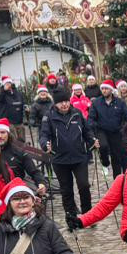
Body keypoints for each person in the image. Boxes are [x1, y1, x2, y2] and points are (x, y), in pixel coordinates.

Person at [40, 89, 95, 226]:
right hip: (60, 159)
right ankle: (71, 216)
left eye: (66, 101)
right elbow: (44, 135)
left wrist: (92, 140)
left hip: (79, 157)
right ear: (55, 103)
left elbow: (87, 130)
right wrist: (45, 145)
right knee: (66, 189)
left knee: (84, 185)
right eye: (60, 102)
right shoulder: (49, 116)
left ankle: (88, 214)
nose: (64, 104)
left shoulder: (76, 113)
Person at [0, 119, 46, 193]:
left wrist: (41, 183)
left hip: (17, 187)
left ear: (8, 134)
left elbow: (34, 171)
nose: (0, 136)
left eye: (3, 132)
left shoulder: (18, 150)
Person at [89, 80, 127, 175]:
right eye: (102, 88)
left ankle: (119, 179)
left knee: (117, 157)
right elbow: (91, 118)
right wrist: (91, 128)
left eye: (106, 88)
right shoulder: (96, 103)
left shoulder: (120, 102)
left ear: (111, 90)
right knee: (103, 146)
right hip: (102, 131)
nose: (104, 90)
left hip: (117, 132)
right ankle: (105, 163)